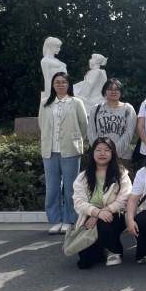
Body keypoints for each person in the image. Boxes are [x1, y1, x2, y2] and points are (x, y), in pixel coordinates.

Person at [39, 72, 88, 234]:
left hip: (70, 150)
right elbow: (41, 124)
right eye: (57, 82)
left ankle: (69, 219)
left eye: (63, 82)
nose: (60, 84)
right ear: (53, 85)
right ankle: (55, 220)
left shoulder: (76, 102)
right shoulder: (45, 103)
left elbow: (83, 125)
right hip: (50, 150)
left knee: (71, 187)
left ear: (69, 84)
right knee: (52, 188)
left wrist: (75, 139)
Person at [71, 137, 132, 269]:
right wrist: (97, 213)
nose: (102, 153)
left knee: (105, 221)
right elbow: (79, 202)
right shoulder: (83, 177)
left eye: (107, 150)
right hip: (90, 216)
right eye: (98, 150)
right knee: (85, 260)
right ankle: (102, 248)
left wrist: (101, 213)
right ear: (93, 153)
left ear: (113, 153)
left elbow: (123, 200)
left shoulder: (121, 175)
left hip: (115, 216)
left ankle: (114, 251)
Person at [87, 78, 137, 170]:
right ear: (105, 91)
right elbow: (91, 132)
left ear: (121, 92)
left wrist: (113, 151)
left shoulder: (128, 109)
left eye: (116, 89)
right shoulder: (97, 109)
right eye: (110, 89)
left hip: (122, 157)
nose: (113, 91)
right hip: (101, 156)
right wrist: (101, 150)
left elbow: (129, 133)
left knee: (121, 179)